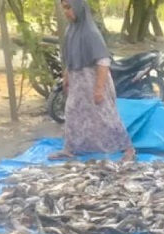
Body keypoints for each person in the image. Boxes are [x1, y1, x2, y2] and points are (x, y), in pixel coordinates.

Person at [49, 0, 134, 162]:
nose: (66, 12)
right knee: (72, 112)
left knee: (106, 115)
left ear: (78, 8)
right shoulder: (71, 30)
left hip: (93, 80)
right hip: (78, 83)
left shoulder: (90, 33)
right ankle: (69, 148)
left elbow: (103, 62)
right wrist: (67, 76)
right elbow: (70, 59)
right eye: (64, 8)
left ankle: (128, 148)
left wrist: (99, 89)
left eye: (69, 7)